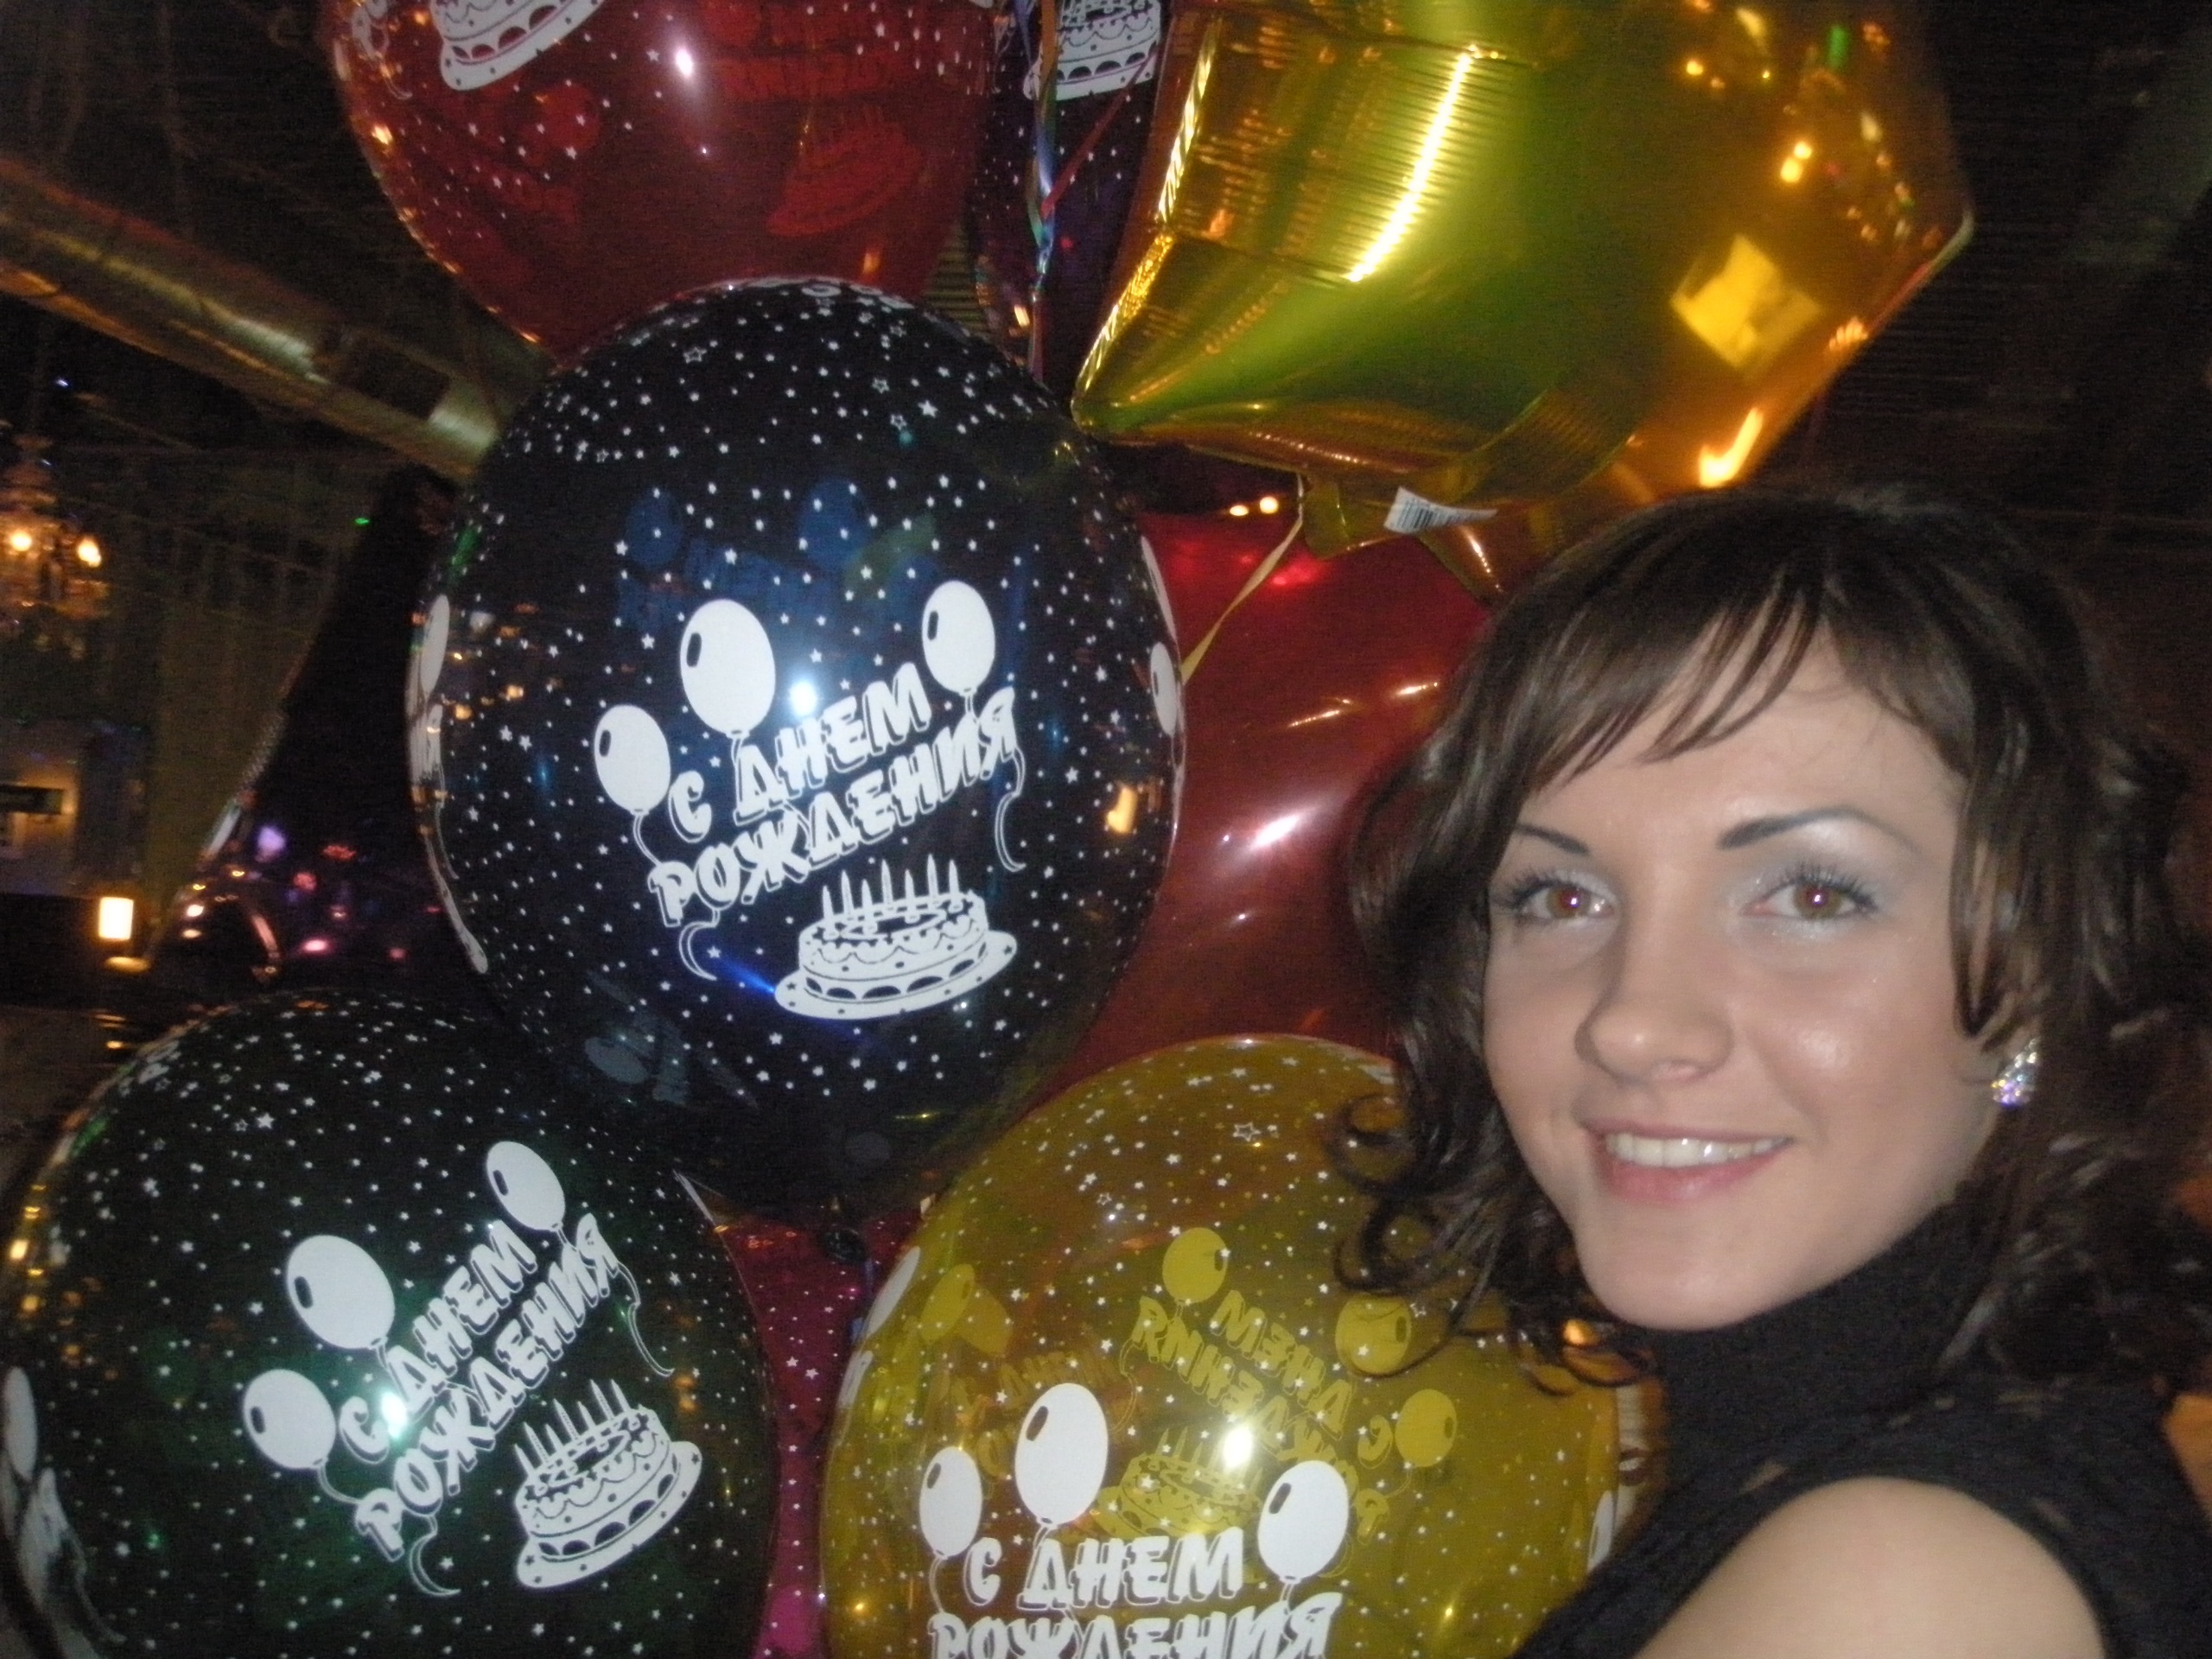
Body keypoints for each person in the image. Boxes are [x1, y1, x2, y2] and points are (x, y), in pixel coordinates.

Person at [1349, 483, 2212, 1657]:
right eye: (1560, 896)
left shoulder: (1900, 1591)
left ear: (2032, 982)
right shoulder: (1877, 1466)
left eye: (1811, 896)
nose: (1633, 1023)